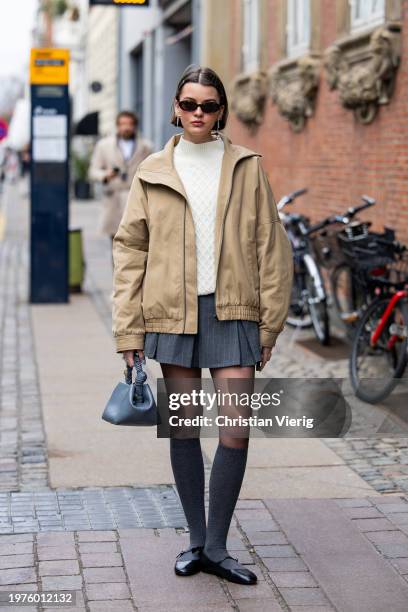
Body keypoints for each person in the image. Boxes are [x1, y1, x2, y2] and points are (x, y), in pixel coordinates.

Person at [112, 65, 294, 586]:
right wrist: (129, 331)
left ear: (221, 112)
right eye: (189, 104)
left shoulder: (246, 166)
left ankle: (218, 546)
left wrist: (270, 325)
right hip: (172, 314)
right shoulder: (151, 170)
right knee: (185, 430)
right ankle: (196, 541)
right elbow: (130, 251)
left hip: (234, 311)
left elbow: (270, 247)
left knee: (235, 432)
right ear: (175, 107)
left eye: (209, 105)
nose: (198, 113)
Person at [89, 110, 153, 258]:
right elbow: (93, 170)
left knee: (137, 243)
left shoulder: (145, 146)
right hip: (114, 201)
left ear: (135, 126)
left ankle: (135, 278)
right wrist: (105, 175)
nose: (126, 127)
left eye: (130, 124)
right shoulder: (104, 146)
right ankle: (118, 279)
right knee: (116, 245)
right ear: (117, 126)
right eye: (123, 124)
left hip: (136, 199)